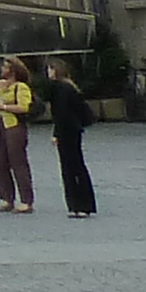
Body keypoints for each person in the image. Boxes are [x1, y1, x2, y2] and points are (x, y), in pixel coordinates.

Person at [43, 61, 97, 217]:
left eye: (50, 69)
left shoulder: (59, 88)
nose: (48, 73)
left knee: (69, 168)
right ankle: (85, 204)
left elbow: (61, 114)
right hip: (75, 130)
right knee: (78, 166)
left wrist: (56, 133)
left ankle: (76, 204)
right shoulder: (70, 86)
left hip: (67, 131)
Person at [0, 58, 38, 212]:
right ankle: (7, 198)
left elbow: (24, 107)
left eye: (6, 67)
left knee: (18, 162)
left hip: (14, 126)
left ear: (13, 70)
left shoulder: (20, 87)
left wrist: (5, 106)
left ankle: (27, 200)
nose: (2, 69)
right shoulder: (1, 86)